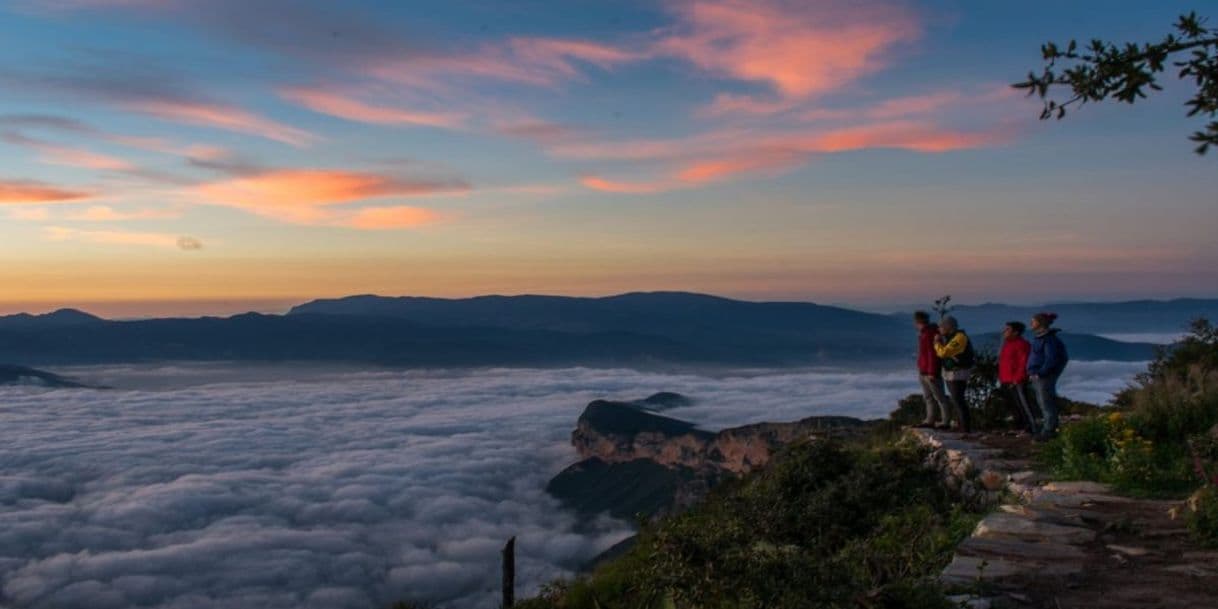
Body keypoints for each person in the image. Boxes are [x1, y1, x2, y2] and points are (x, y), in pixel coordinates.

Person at [1027, 312, 1069, 440]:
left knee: (1046, 402)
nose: (1031, 324)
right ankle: (1048, 428)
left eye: (1033, 321)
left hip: (1043, 376)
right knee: (1043, 402)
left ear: (1040, 323)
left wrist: (1040, 373)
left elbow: (1051, 359)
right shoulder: (1040, 338)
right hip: (1037, 375)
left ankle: (1049, 431)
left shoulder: (1049, 340)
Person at [934, 315, 975, 433]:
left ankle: (966, 429)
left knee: (958, 400)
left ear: (948, 326)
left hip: (958, 373)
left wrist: (936, 343)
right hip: (951, 372)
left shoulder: (959, 337)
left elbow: (944, 353)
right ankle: (962, 426)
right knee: (956, 400)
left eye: (941, 327)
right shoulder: (950, 337)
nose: (939, 330)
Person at [998, 321, 1039, 434]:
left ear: (1016, 332)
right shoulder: (1007, 344)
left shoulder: (1022, 345)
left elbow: (1024, 363)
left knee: (1023, 404)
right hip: (1005, 378)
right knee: (1013, 404)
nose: (1004, 332)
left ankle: (1031, 428)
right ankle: (1019, 427)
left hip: (1017, 380)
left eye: (1007, 330)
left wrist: (1018, 378)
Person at [913, 311, 952, 428]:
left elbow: (932, 354)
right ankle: (930, 420)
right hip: (923, 370)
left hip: (930, 372)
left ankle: (945, 421)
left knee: (939, 397)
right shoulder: (924, 333)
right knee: (928, 397)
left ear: (918, 322)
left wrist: (932, 371)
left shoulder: (929, 334)